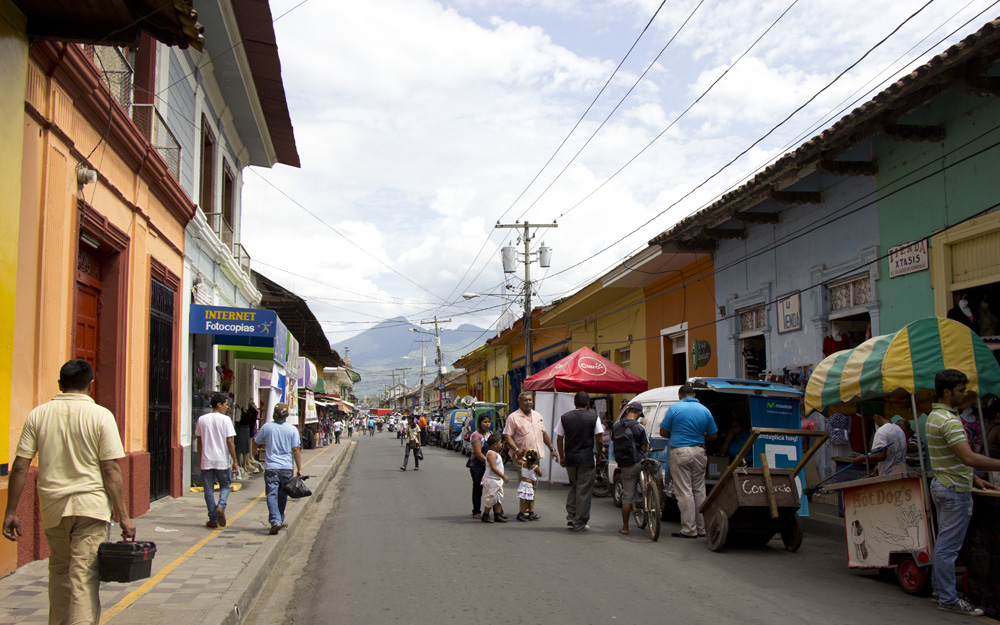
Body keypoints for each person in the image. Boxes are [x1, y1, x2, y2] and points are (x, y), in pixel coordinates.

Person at [2, 360, 135, 625]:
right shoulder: (101, 416)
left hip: (54, 510)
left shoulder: (38, 415)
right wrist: (124, 516)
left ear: (60, 384)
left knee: (60, 573)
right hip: (91, 508)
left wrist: (11, 511)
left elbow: (19, 467)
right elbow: (110, 470)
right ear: (91, 385)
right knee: (84, 578)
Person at [926, 369, 1000, 616]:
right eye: (960, 390)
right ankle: (948, 598)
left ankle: (940, 591)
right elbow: (967, 457)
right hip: (953, 489)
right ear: (947, 392)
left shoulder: (934, 416)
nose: (965, 394)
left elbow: (951, 458)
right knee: (949, 547)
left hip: (945, 483)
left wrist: (974, 478)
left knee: (944, 544)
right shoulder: (949, 420)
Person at [659, 384, 718, 539]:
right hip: (700, 451)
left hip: (680, 451)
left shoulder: (674, 409)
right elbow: (713, 435)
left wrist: (677, 434)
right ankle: (702, 527)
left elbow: (663, 431)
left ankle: (689, 529)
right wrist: (699, 436)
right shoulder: (705, 410)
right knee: (699, 489)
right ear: (694, 394)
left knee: (684, 490)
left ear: (680, 396)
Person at [556, 391, 604, 532]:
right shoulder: (593, 417)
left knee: (574, 486)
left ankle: (571, 516)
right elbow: (599, 438)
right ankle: (580, 522)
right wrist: (599, 454)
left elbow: (559, 438)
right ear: (588, 403)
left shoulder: (565, 417)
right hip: (586, 458)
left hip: (570, 458)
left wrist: (562, 456)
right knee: (583, 490)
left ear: (574, 402)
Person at [253, 403, 303, 535]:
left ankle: (276, 520)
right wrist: (299, 468)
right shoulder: (292, 430)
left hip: (271, 467)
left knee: (271, 494)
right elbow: (295, 449)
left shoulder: (266, 427)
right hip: (286, 467)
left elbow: (256, 441)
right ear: (287, 415)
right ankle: (278, 519)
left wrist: (254, 452)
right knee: (282, 495)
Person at [195, 393, 238, 528]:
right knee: (225, 485)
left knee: (208, 490)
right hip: (221, 460)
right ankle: (221, 505)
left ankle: (213, 518)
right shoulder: (225, 420)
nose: (227, 407)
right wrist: (234, 460)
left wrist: (201, 456)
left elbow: (199, 440)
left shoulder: (202, 419)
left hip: (207, 460)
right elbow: (229, 441)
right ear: (218, 404)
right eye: (226, 404)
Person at [613, 401, 649, 535]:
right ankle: (655, 495)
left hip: (625, 465)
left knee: (627, 497)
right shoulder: (639, 428)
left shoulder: (617, 426)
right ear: (639, 414)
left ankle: (625, 527)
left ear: (627, 411)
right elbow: (644, 448)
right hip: (638, 463)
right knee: (655, 469)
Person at [504, 391, 556, 464]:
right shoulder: (513, 417)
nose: (528, 402)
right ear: (519, 402)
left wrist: (552, 449)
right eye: (525, 400)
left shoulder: (538, 416)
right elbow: (507, 436)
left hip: (535, 457)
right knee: (525, 475)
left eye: (530, 400)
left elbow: (543, 434)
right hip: (521, 457)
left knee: (535, 475)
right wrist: (516, 450)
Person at [467, 414, 493, 519]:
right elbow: (478, 453)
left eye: (488, 422)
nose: (487, 424)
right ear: (479, 423)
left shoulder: (490, 434)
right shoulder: (476, 435)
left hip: (489, 465)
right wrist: (489, 463)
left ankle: (496, 511)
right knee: (478, 488)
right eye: (485, 422)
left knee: (493, 488)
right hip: (477, 466)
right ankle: (476, 511)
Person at [480, 434, 509, 523]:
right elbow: (493, 468)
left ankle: (498, 514)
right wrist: (503, 476)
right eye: (500, 443)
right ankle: (485, 514)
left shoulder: (495, 453)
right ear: (495, 444)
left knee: (498, 497)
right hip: (491, 480)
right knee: (491, 497)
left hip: (497, 480)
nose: (502, 444)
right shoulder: (491, 454)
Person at [516, 450, 543, 522]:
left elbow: (517, 460)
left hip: (523, 483)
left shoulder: (523, 464)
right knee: (528, 501)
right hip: (528, 484)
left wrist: (520, 455)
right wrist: (541, 471)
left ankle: (531, 513)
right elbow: (540, 474)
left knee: (532, 499)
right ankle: (520, 514)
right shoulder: (535, 467)